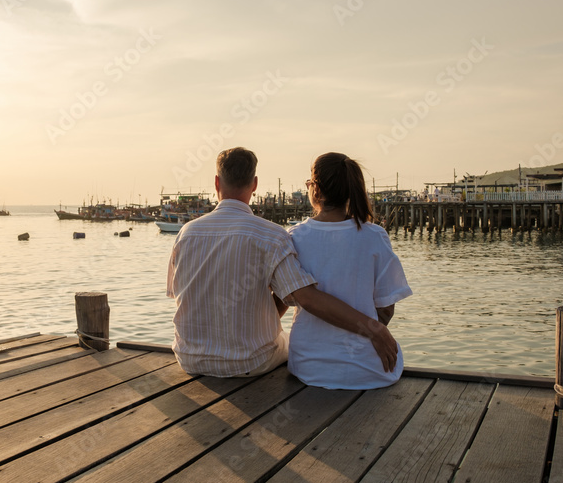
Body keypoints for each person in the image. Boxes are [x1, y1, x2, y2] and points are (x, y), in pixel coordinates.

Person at [166, 147, 398, 378]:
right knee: (281, 338)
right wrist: (374, 330)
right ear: (254, 184)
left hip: (189, 359)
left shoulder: (186, 233)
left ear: (217, 183)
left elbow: (178, 294)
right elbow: (306, 298)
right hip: (249, 362)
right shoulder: (272, 236)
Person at [286, 152, 412, 389]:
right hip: (370, 369)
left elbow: (288, 300)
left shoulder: (294, 238)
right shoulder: (375, 236)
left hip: (309, 367)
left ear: (316, 189)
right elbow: (386, 309)